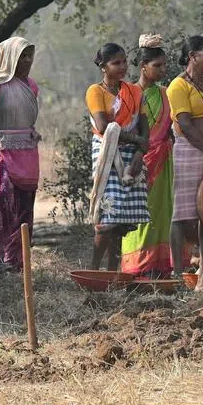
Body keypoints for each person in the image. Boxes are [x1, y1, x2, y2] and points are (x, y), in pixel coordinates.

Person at [86, 43, 150, 269]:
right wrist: (136, 140)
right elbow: (104, 127)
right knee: (107, 217)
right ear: (103, 67)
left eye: (124, 61)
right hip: (106, 153)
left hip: (132, 154)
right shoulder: (96, 91)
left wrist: (140, 153)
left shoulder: (134, 91)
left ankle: (114, 274)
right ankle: (94, 269)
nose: (122, 67)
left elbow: (144, 127)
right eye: (116, 63)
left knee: (122, 221)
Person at [0, 36, 40, 272]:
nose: (26, 61)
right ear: (9, 59)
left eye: (29, 56)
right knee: (1, 199)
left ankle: (16, 260)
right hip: (1, 150)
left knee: (25, 206)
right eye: (21, 56)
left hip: (27, 151)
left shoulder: (32, 86)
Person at [167, 36, 203, 287]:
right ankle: (178, 274)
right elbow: (185, 124)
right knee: (182, 215)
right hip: (188, 151)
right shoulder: (177, 86)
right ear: (192, 56)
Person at [121, 35, 175, 276]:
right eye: (157, 66)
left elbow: (170, 127)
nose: (163, 70)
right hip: (137, 160)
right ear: (143, 67)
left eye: (164, 65)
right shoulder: (129, 93)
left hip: (163, 161)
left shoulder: (165, 93)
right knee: (137, 212)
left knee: (161, 212)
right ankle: (137, 266)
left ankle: (159, 265)